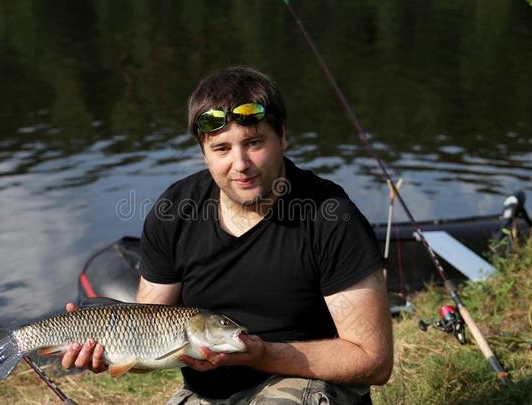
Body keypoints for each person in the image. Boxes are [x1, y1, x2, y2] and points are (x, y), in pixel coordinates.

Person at [62, 66, 393, 404]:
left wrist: (263, 355)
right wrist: (110, 351)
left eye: (253, 142)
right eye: (221, 149)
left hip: (305, 382)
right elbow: (149, 336)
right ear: (203, 151)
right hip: (209, 393)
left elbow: (374, 361)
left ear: (282, 135)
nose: (240, 164)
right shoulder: (175, 210)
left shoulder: (330, 216)